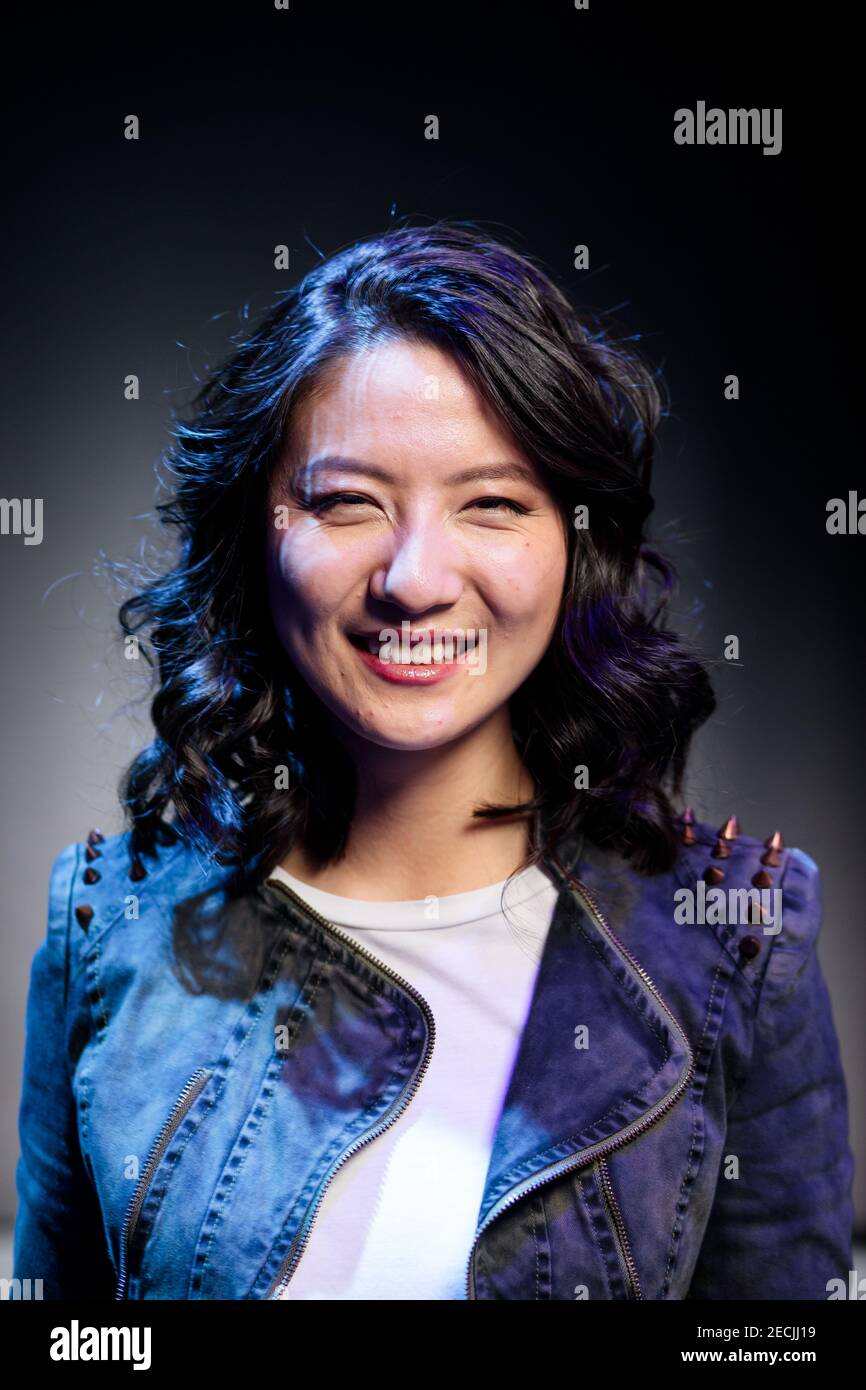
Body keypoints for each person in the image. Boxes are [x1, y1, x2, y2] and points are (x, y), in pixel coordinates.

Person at [13, 221, 854, 1300]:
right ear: (255, 536)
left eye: (491, 503)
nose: (414, 577)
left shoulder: (738, 948)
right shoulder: (106, 929)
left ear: (575, 543)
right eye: (346, 501)